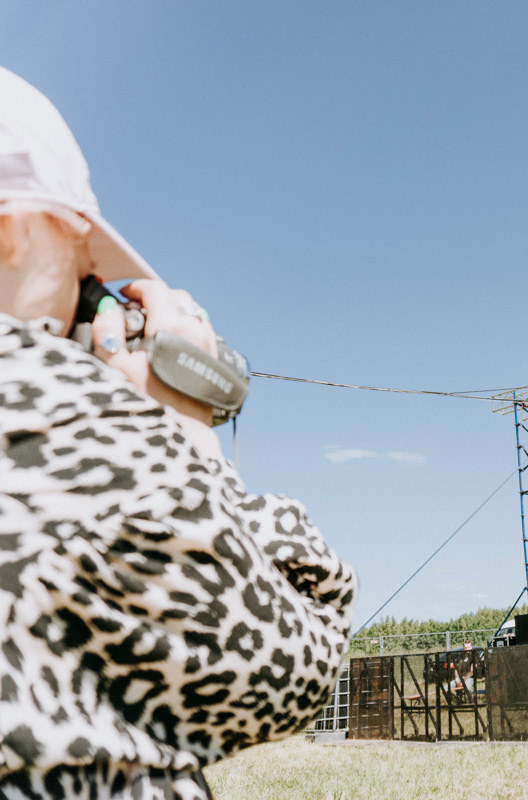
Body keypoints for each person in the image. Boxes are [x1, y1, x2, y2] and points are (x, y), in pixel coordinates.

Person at [0, 68, 356, 799]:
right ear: (12, 230)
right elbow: (283, 668)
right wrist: (182, 421)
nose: (84, 316)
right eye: (90, 277)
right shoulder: (47, 407)